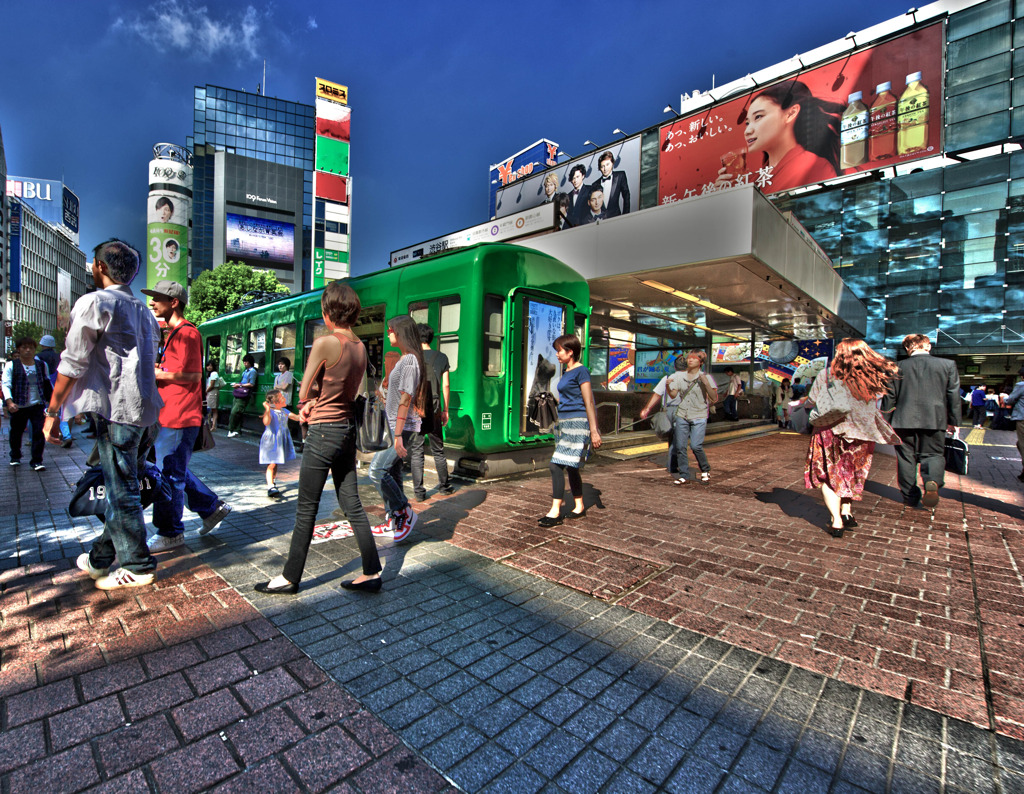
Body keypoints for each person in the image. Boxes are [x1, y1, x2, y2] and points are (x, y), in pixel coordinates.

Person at [45, 240, 163, 589]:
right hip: (147, 413)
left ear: (99, 267)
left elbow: (72, 363)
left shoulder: (95, 302)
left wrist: (54, 413)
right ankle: (99, 559)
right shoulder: (144, 311)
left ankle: (138, 565)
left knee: (122, 490)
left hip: (117, 411)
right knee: (123, 486)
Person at [255, 282, 382, 595]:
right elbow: (346, 391)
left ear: (328, 313)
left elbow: (303, 390)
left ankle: (289, 578)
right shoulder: (361, 347)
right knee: (352, 503)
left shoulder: (327, 343)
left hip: (323, 431)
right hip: (347, 430)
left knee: (306, 508)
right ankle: (372, 571)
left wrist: (309, 400)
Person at [142, 280, 232, 551]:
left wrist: (157, 374)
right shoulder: (173, 333)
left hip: (179, 416)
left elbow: (193, 376)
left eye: (157, 298)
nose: (151, 303)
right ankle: (211, 507)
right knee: (171, 470)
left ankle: (171, 532)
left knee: (169, 476)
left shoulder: (186, 334)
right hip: (171, 414)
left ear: (174, 302)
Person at [805, 339, 900, 536]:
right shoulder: (873, 378)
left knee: (830, 476)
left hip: (831, 432)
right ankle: (846, 512)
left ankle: (836, 521)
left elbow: (811, 402)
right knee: (851, 473)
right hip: (862, 434)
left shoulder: (827, 376)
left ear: (841, 355)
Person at [879, 334, 960, 511]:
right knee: (934, 454)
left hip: (902, 420)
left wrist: (885, 420)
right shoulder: (947, 365)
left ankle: (909, 496)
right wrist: (953, 421)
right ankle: (932, 481)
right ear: (928, 347)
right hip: (935, 420)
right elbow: (953, 395)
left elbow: (889, 398)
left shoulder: (896, 368)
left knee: (906, 458)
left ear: (908, 348)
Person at [724, 80, 842, 193]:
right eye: (747, 123)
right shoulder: (751, 180)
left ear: (790, 114)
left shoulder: (813, 165)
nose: (747, 131)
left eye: (758, 117)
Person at [368, 315, 424, 542]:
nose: (389, 334)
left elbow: (406, 399)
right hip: (395, 425)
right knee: (391, 471)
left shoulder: (409, 361)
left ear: (400, 333)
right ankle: (395, 518)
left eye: (391, 330)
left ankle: (405, 510)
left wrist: (398, 434)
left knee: (377, 470)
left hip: (401, 427)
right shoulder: (405, 359)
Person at [538, 334, 602, 525]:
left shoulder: (581, 371)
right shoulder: (567, 372)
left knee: (555, 465)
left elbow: (588, 401)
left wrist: (594, 430)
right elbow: (566, 400)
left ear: (570, 351)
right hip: (563, 423)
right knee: (572, 466)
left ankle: (555, 511)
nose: (557, 354)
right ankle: (579, 506)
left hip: (578, 423)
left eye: (560, 350)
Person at [410, 323, 454, 500]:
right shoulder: (441, 357)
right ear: (431, 337)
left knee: (417, 450)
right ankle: (444, 486)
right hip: (435, 407)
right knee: (438, 450)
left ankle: (419, 493)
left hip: (416, 409)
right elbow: (446, 385)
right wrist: (446, 410)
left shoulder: (411, 357)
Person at [666, 349, 718, 485]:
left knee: (696, 446)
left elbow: (714, 398)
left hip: (699, 415)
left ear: (700, 362)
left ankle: (705, 469)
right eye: (689, 357)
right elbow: (673, 395)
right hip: (682, 414)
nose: (690, 359)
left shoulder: (706, 377)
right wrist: (667, 386)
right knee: (680, 447)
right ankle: (684, 474)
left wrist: (706, 383)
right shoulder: (679, 377)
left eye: (695, 358)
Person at [3, 336, 54, 470]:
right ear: (18, 349)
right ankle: (15, 455)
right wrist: (9, 402)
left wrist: (52, 402)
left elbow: (47, 382)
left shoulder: (41, 365)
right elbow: (6, 385)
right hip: (19, 405)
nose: (27, 350)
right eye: (24, 348)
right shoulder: (11, 365)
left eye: (30, 348)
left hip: (37, 404)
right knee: (16, 432)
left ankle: (37, 460)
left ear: (34, 349)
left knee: (38, 431)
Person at [639, 356, 685, 477]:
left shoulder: (667, 378)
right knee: (679, 440)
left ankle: (672, 465)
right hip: (683, 411)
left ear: (675, 367)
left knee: (672, 440)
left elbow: (657, 395)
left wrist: (647, 408)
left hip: (668, 411)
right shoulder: (689, 379)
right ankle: (676, 466)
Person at [260, 389, 298, 499]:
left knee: (275, 463)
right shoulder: (270, 411)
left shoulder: (284, 410)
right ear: (276, 401)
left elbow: (296, 418)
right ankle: (270, 486)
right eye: (282, 397)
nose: (285, 398)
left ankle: (272, 482)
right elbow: (266, 422)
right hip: (270, 440)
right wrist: (267, 409)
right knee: (271, 464)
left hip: (280, 440)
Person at [36, 335, 72, 448]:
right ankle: (66, 435)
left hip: (45, 388)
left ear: (42, 344)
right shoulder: (59, 356)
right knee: (61, 413)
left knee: (39, 412)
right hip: (60, 385)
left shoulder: (38, 357)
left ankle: (39, 435)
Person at [590, 151, 631, 217]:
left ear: (612, 163)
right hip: (601, 221)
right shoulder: (595, 184)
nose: (605, 168)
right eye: (602, 166)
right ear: (600, 168)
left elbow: (626, 196)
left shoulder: (620, 176)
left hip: (616, 217)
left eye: (607, 164)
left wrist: (626, 215)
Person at [228, 354, 258, 436]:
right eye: (244, 362)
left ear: (250, 362)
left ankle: (231, 429)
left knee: (235, 412)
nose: (244, 363)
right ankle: (237, 430)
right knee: (237, 412)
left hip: (244, 394)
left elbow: (251, 384)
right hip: (239, 393)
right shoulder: (245, 371)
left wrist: (239, 385)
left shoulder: (252, 372)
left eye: (246, 362)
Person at [1003, 367, 1024, 482]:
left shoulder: (1021, 385)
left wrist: (1006, 398)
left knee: (1022, 444)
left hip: (1023, 419)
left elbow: (1010, 400)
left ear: (1022, 376)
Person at [204, 360, 222, 429]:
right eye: (208, 365)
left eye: (211, 366)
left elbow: (211, 385)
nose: (209, 367)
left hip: (212, 392)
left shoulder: (214, 373)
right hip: (211, 392)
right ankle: (211, 425)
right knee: (212, 409)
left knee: (212, 409)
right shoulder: (210, 374)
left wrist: (205, 391)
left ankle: (213, 425)